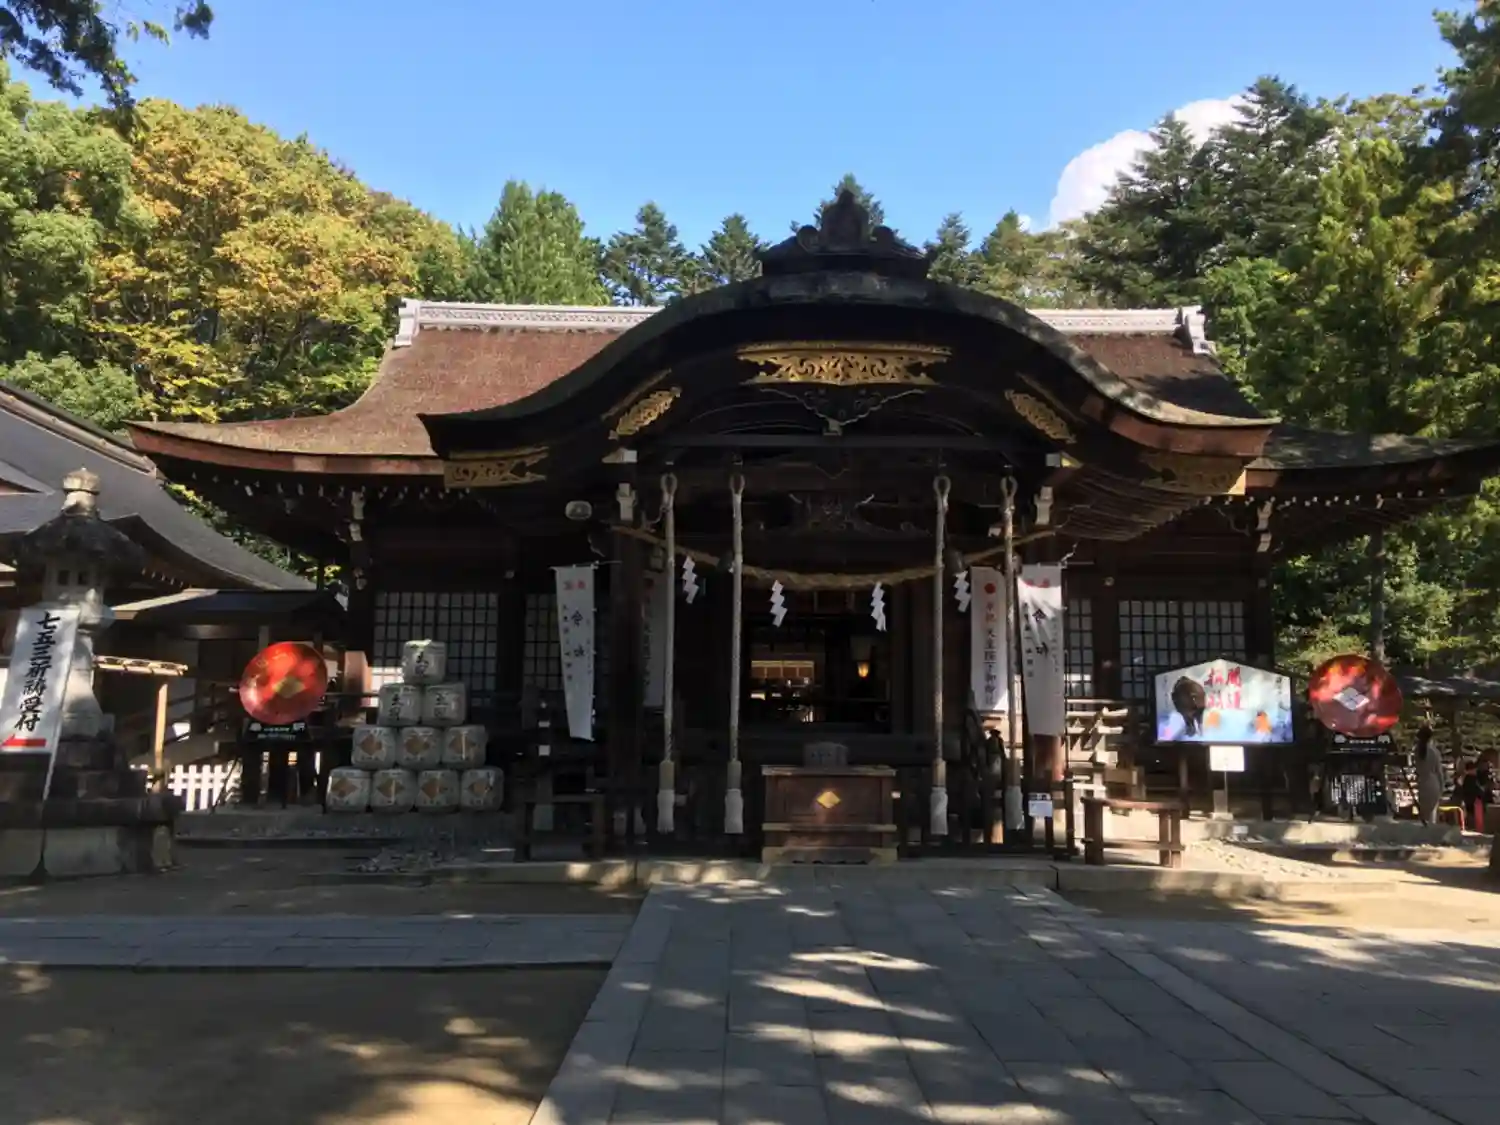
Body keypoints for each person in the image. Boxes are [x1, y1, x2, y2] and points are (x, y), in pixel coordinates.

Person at [1414, 725, 1443, 826]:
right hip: (1433, 782)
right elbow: (1439, 771)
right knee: (1432, 814)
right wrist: (1442, 787)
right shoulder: (1434, 752)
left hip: (1422, 783)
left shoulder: (1417, 751)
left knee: (1424, 813)